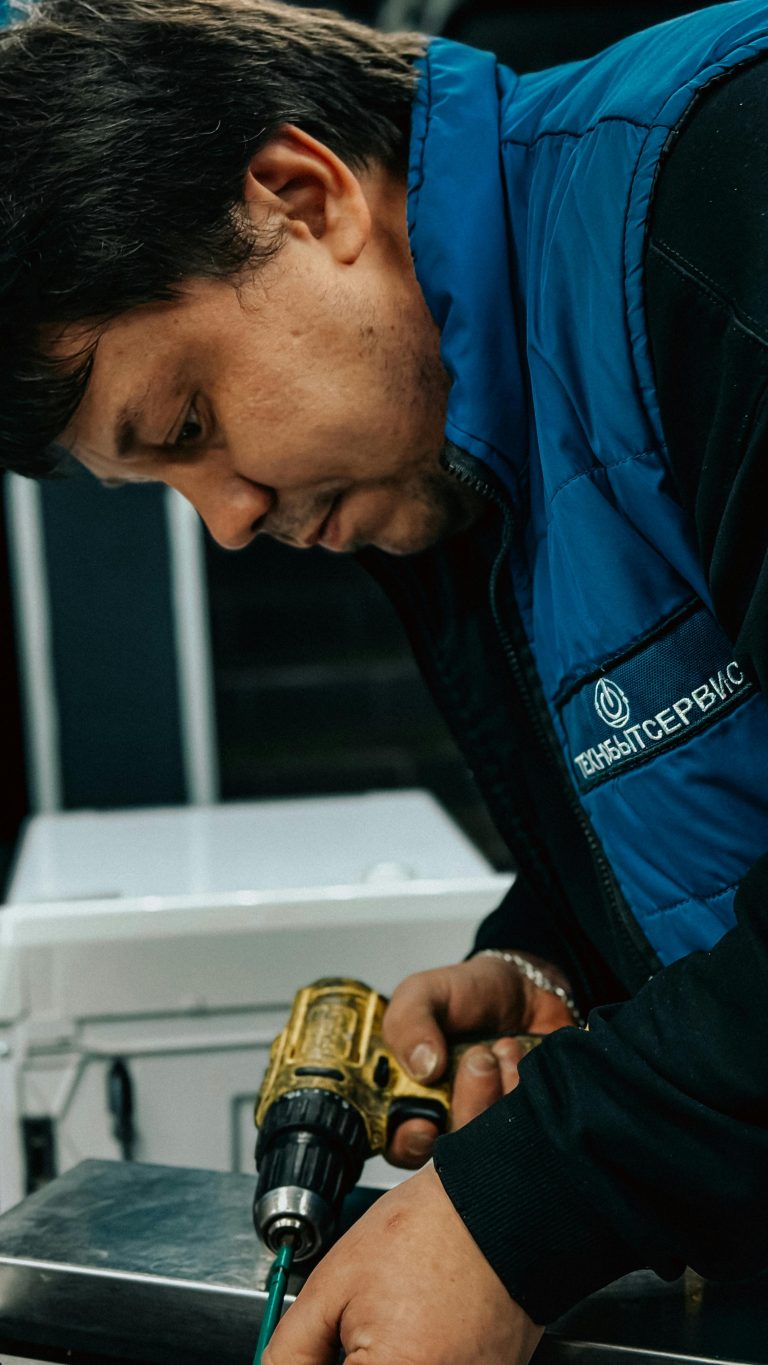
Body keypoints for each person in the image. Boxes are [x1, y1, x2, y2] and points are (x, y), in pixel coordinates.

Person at [2, 0, 768, 1359]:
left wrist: (529, 1200)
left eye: (191, 420)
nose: (227, 519)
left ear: (307, 197)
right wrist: (556, 956)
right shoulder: (455, 472)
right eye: (162, 482)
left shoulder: (719, 196)